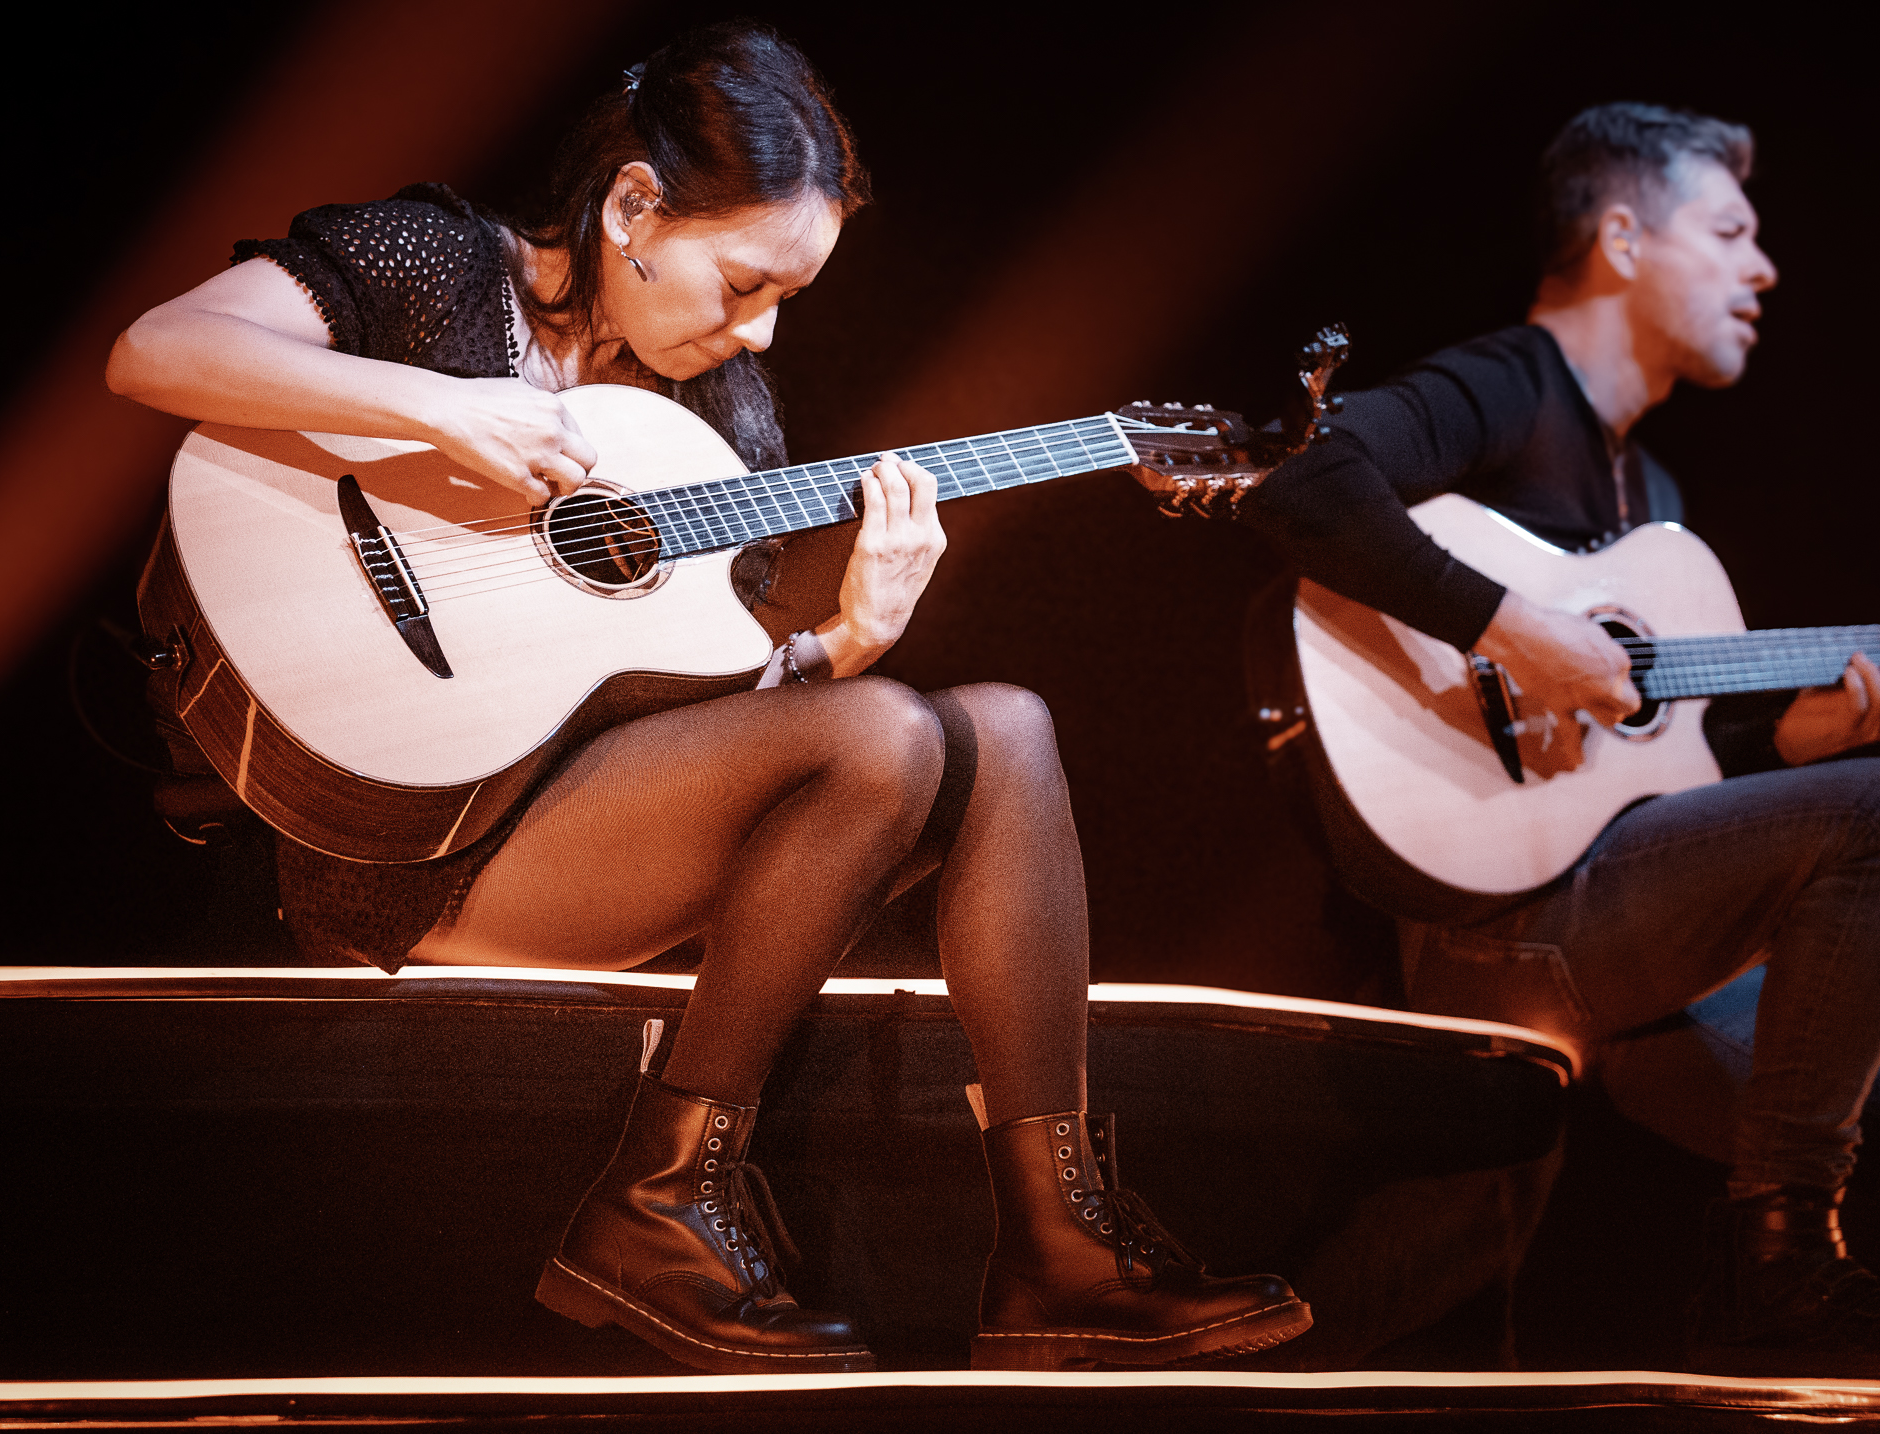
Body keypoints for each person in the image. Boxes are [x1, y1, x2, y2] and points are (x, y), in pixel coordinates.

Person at [104, 22, 1309, 1375]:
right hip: (400, 841)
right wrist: (447, 416)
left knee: (1004, 725)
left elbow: (723, 728)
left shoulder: (718, 424)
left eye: (784, 299)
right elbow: (156, 352)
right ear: (633, 209)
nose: (759, 329)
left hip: (575, 819)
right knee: (899, 735)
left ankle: (1059, 1252)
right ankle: (656, 1203)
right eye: (741, 283)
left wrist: (853, 634)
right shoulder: (436, 265)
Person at [1234, 102, 1880, 1376]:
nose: (1764, 269)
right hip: (1490, 929)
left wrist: (1797, 758)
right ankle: (1779, 1259)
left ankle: (1756, 1303)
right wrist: (1509, 624)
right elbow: (1299, 480)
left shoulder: (1660, 506)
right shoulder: (1511, 385)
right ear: (1624, 237)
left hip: (1607, 929)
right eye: (1732, 230)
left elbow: (1647, 781)